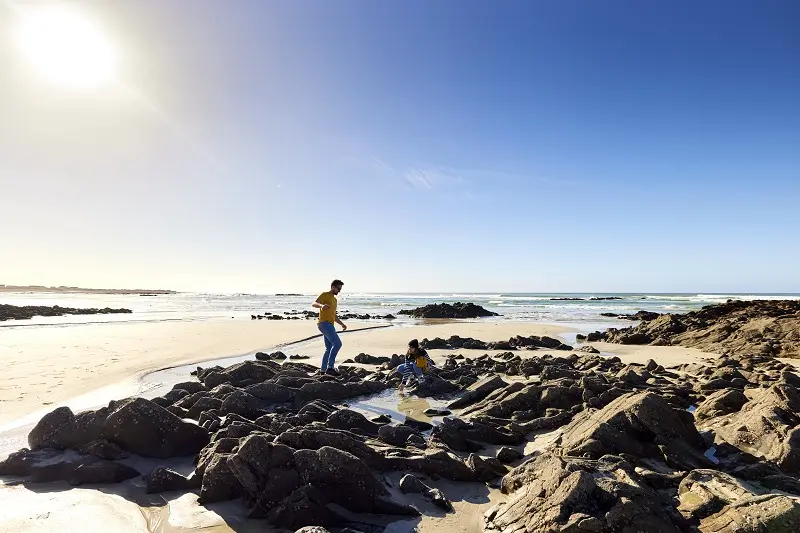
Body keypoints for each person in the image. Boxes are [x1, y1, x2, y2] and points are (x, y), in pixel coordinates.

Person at [312, 279, 347, 375]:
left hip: (329, 324)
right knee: (338, 344)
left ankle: (323, 370)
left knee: (329, 348)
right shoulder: (325, 295)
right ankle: (330, 368)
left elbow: (333, 316)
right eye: (338, 289)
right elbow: (314, 303)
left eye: (340, 289)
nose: (339, 291)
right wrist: (321, 305)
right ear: (333, 287)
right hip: (324, 323)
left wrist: (342, 324)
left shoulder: (334, 300)